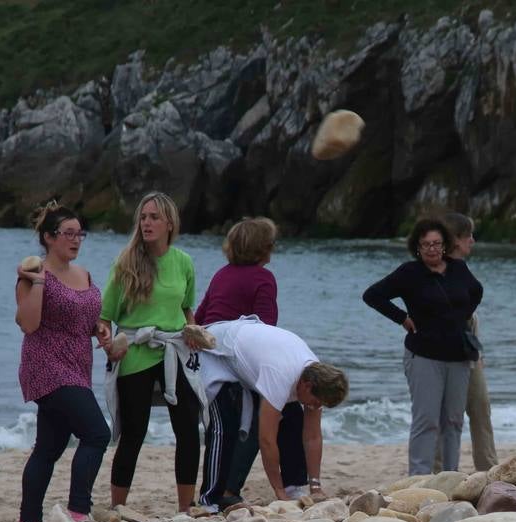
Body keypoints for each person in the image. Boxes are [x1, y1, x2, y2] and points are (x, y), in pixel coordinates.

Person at [99, 191, 206, 513]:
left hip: (175, 349)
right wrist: (107, 343)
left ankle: (185, 508)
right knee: (133, 434)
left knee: (188, 430)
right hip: (135, 352)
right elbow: (105, 318)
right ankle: (119, 507)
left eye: (154, 217)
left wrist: (195, 334)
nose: (146, 223)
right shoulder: (126, 263)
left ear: (169, 223)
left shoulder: (183, 261)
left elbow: (188, 309)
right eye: (143, 217)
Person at [194, 217, 310, 503]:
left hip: (210, 354)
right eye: (271, 243)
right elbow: (265, 327)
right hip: (237, 357)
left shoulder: (222, 273)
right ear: (263, 248)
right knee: (285, 412)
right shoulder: (263, 278)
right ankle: (289, 484)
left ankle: (224, 490)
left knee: (238, 423)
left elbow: (201, 316)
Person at [14, 202, 111, 522]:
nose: (76, 239)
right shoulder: (33, 274)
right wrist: (38, 282)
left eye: (79, 233)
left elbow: (84, 317)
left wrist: (98, 327)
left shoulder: (83, 274)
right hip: (45, 366)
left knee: (49, 447)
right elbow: (28, 324)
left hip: (77, 367)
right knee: (97, 433)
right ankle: (78, 510)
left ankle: (28, 521)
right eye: (68, 233)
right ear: (48, 237)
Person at [363, 218, 483, 475]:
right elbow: (372, 295)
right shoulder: (409, 272)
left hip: (459, 356)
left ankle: (451, 476)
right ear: (417, 247)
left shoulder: (459, 269)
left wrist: (459, 317)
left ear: (445, 245)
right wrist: (402, 319)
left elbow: (476, 292)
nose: (431, 249)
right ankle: (418, 479)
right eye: (426, 244)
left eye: (437, 244)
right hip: (424, 355)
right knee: (426, 420)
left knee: (453, 420)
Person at [198, 319, 349, 505]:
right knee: (241, 427)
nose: (316, 407)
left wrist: (315, 486)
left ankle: (293, 485)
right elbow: (266, 440)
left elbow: (312, 436)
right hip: (217, 351)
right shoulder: (281, 375)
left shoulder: (316, 375)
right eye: (316, 402)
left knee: (294, 419)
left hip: (257, 353)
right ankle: (222, 494)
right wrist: (278, 493)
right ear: (307, 386)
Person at [433, 212, 498, 472]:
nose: (473, 240)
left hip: (467, 347)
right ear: (456, 240)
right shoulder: (434, 271)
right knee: (444, 415)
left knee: (481, 408)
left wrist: (475, 350)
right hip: (442, 352)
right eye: (468, 235)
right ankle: (439, 472)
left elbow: (468, 317)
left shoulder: (461, 270)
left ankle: (488, 468)